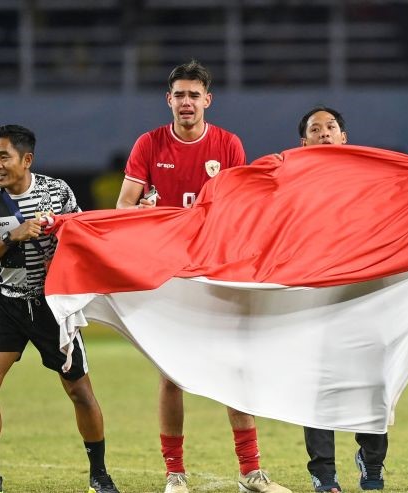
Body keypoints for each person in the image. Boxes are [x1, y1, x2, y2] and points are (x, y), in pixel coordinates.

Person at [116, 60, 291, 493]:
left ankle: (251, 471)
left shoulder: (228, 145)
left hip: (215, 269)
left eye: (195, 95)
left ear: (207, 100)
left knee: (233, 366)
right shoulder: (149, 144)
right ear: (169, 99)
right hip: (168, 272)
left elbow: (239, 206)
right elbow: (122, 208)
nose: (187, 102)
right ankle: (175, 473)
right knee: (170, 374)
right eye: (180, 95)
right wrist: (143, 214)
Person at [0, 124, 119, 493]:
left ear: (26, 159)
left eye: (3, 156)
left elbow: (80, 239)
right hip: (8, 304)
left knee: (79, 391)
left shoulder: (56, 191)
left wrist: (61, 259)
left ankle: (99, 474)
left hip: (51, 308)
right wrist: (10, 237)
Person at [297, 106, 408, 493]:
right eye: (315, 129)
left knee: (372, 383)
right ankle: (324, 474)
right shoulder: (289, 183)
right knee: (318, 386)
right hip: (314, 298)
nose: (324, 133)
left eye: (331, 127)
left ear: (344, 138)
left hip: (368, 298)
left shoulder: (372, 177)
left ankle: (372, 462)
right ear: (303, 143)